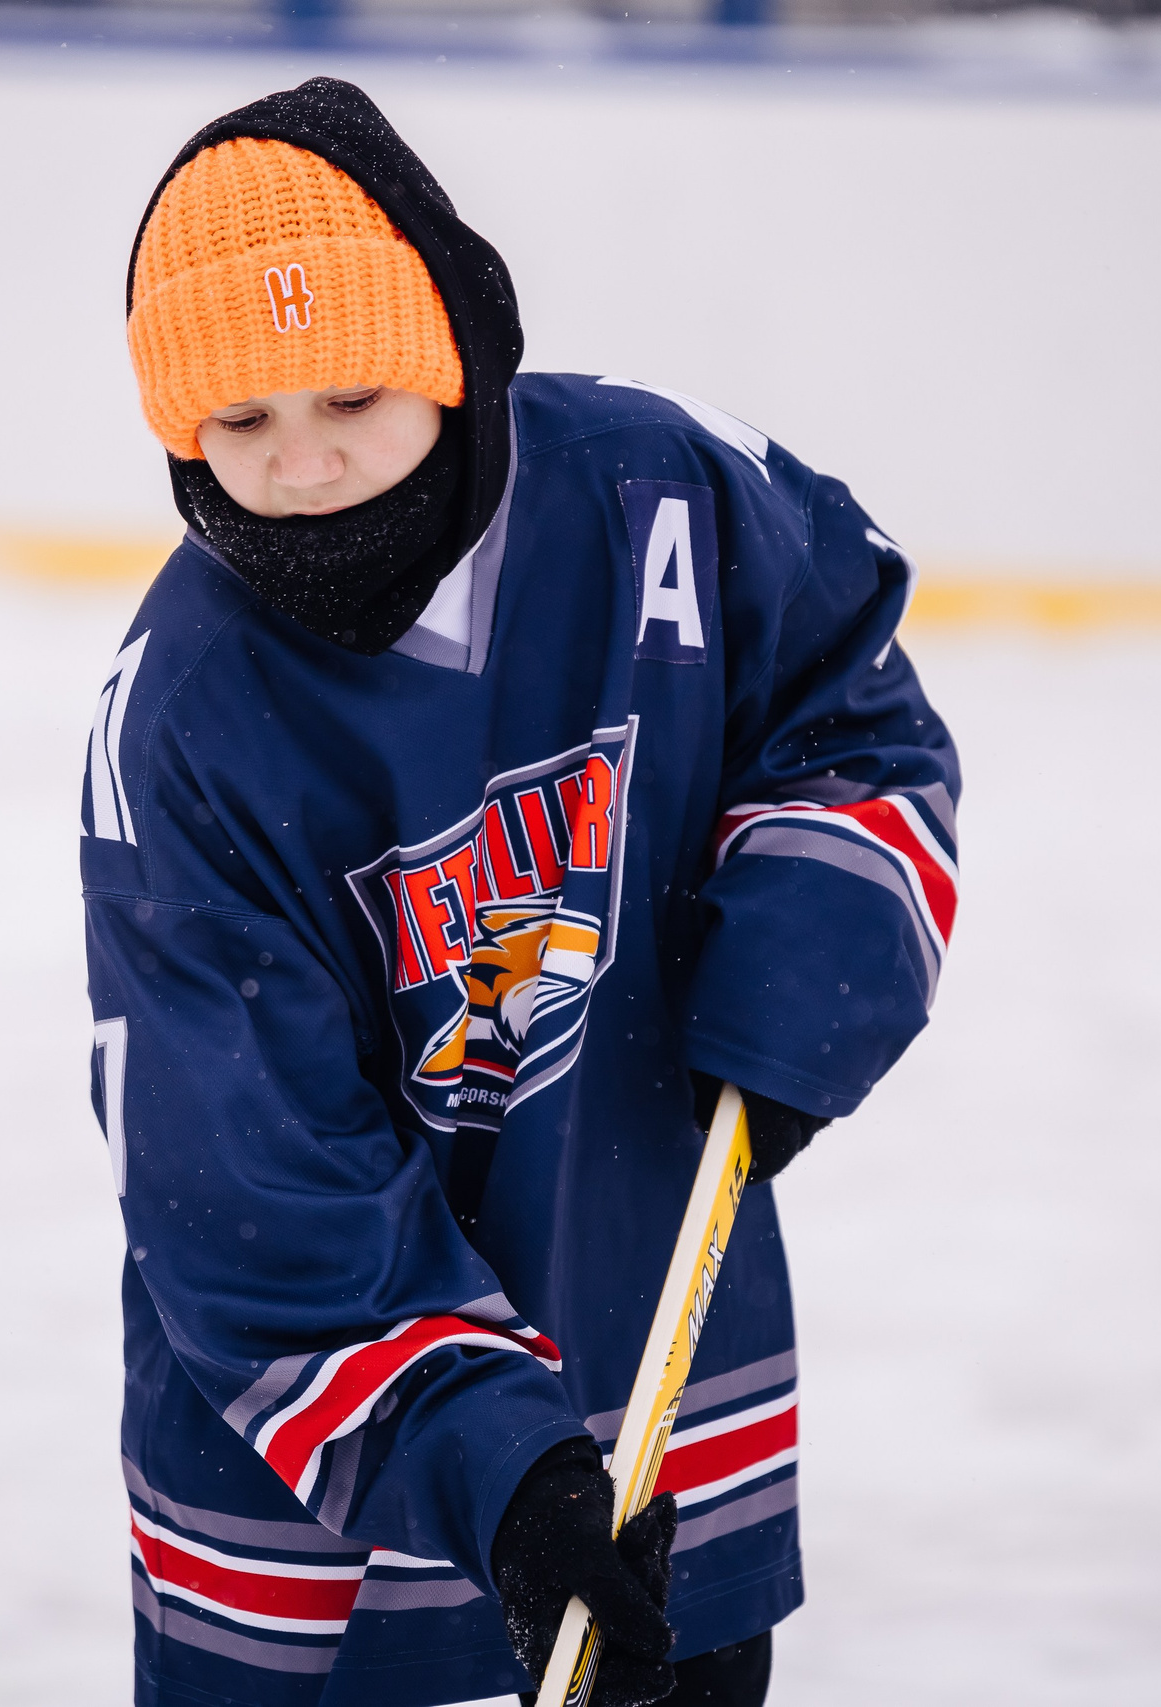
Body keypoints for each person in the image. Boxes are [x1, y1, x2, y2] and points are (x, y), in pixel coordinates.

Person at [83, 77, 959, 1707]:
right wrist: (496, 1467)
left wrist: (801, 970)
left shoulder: (656, 493)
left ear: (446, 346)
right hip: (307, 1470)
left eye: (348, 390)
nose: (304, 462)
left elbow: (850, 705)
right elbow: (246, 1183)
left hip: (651, 1339)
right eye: (238, 420)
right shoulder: (188, 718)